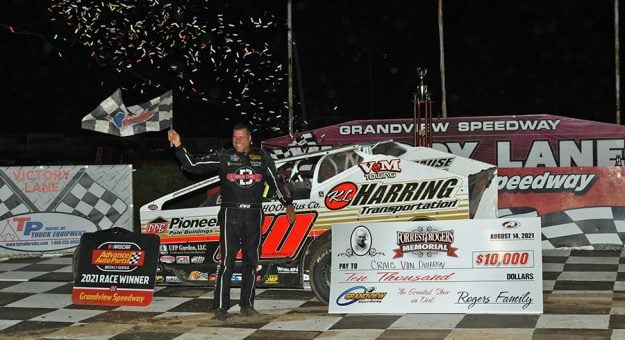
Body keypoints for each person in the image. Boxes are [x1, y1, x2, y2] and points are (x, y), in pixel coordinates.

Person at [167, 123, 296, 321]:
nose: (237, 141)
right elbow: (192, 166)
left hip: (254, 215)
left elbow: (275, 182)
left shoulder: (261, 157)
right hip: (230, 215)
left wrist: (288, 204)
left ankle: (247, 305)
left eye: (241, 137)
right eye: (234, 137)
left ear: (249, 138)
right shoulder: (224, 156)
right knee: (226, 262)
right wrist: (178, 146)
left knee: (251, 263)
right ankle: (220, 307)